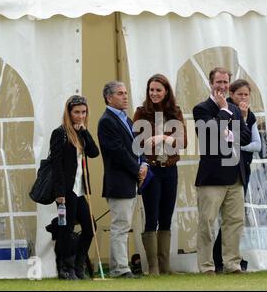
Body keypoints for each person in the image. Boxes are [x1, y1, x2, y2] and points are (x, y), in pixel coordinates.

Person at [193, 67, 251, 274]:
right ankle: (206, 266)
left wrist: (228, 129)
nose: (223, 86)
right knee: (207, 223)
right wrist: (224, 111)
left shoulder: (236, 110)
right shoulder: (201, 109)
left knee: (235, 221)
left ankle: (232, 264)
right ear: (211, 83)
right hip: (212, 177)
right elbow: (210, 134)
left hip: (235, 175)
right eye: (219, 82)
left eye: (226, 82)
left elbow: (244, 138)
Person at [133, 73, 187, 275]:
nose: (154, 93)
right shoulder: (141, 112)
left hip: (170, 169)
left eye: (158, 90)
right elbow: (136, 143)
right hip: (151, 170)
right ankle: (153, 266)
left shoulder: (176, 112)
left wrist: (163, 137)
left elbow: (183, 142)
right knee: (151, 217)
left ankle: (165, 266)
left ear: (166, 92)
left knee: (166, 217)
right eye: (151, 90)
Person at [97, 81, 148, 278]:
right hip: (119, 181)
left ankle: (121, 266)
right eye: (120, 93)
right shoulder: (107, 121)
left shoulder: (127, 120)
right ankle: (120, 269)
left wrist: (144, 164)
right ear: (109, 98)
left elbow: (137, 147)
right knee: (120, 226)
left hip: (132, 179)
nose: (125, 96)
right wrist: (137, 169)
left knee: (124, 226)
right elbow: (117, 152)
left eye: (126, 93)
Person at [213, 79, 262, 272]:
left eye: (246, 94)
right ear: (231, 95)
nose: (243, 98)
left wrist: (238, 145)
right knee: (220, 218)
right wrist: (240, 141)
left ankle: (230, 259)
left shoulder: (249, 115)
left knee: (234, 219)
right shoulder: (226, 111)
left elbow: (257, 144)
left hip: (243, 169)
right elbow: (224, 140)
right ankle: (217, 259)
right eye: (239, 94)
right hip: (225, 170)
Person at [50, 95, 99, 280]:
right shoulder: (60, 133)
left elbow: (94, 153)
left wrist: (85, 132)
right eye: (76, 112)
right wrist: (59, 193)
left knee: (90, 227)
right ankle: (65, 268)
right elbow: (56, 165)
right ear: (69, 113)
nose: (80, 116)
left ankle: (79, 266)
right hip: (66, 191)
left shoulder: (81, 133)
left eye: (83, 112)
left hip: (80, 190)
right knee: (66, 229)